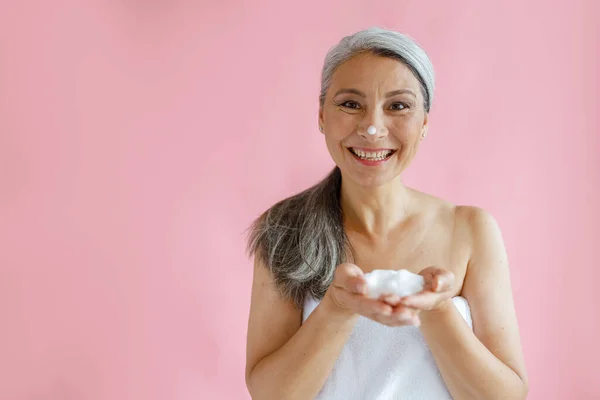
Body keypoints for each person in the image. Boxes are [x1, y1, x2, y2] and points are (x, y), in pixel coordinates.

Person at [244, 27, 528, 400]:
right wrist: (337, 308)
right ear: (321, 115)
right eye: (350, 103)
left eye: (398, 106)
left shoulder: (472, 230)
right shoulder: (283, 229)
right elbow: (271, 394)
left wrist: (438, 309)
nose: (372, 127)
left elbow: (506, 396)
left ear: (424, 122)